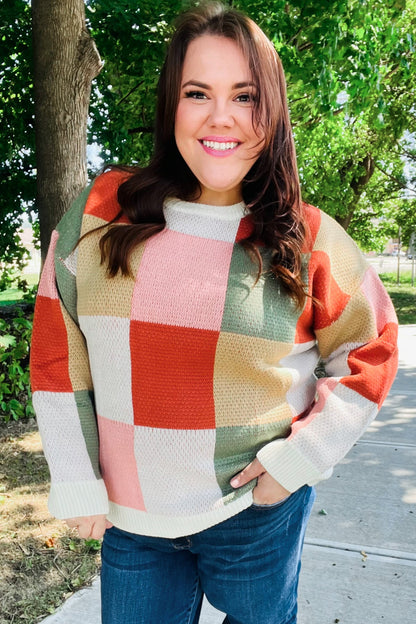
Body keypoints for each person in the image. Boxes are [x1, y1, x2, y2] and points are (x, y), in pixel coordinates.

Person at [30, 2, 399, 623]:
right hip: (135, 519)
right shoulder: (101, 211)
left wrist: (298, 463)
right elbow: (57, 351)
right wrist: (73, 474)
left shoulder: (306, 236)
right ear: (171, 104)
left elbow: (372, 348)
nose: (220, 117)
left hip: (256, 509)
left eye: (245, 96)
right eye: (197, 92)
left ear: (272, 111)